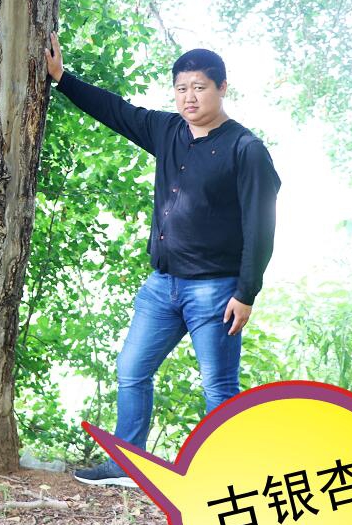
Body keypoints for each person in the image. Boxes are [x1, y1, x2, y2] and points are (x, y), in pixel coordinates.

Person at [44, 33, 280, 487]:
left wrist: (247, 292)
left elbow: (261, 227)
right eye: (181, 88)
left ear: (222, 88)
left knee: (218, 386)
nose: (189, 97)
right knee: (132, 370)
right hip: (162, 285)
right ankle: (127, 464)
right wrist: (62, 79)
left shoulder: (245, 149)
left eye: (200, 87)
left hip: (216, 290)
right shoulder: (168, 131)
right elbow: (117, 111)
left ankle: (229, 476)